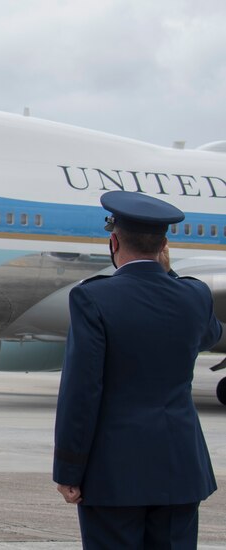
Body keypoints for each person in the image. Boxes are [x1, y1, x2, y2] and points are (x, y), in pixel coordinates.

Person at [53, 190, 222, 549]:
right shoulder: (195, 295)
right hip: (181, 470)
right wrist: (169, 273)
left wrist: (68, 469)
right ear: (163, 245)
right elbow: (211, 335)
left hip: (114, 473)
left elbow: (82, 392)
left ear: (113, 241)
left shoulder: (92, 298)